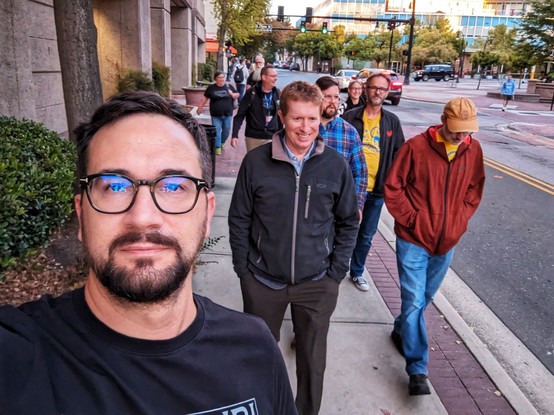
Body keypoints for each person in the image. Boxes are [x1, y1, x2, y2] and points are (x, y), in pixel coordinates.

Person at [0, 91, 297, 414]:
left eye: (173, 186)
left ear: (207, 214)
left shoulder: (255, 349)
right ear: (82, 212)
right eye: (114, 186)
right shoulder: (18, 360)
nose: (142, 217)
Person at [228, 81, 359, 415]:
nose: (306, 128)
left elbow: (347, 222)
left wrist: (335, 274)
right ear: (282, 117)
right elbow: (239, 218)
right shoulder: (256, 163)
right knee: (256, 359)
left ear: (321, 118)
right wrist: (244, 271)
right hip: (263, 281)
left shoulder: (335, 165)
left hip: (317, 283)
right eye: (298, 118)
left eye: (312, 119)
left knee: (313, 365)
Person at [385, 97, 485, 396]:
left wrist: (459, 220)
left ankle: (401, 330)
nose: (461, 135)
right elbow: (394, 187)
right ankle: (417, 369)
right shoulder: (416, 147)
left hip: (447, 241)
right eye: (457, 129)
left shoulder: (473, 149)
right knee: (415, 300)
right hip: (414, 239)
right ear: (443, 120)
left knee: (423, 298)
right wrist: (413, 220)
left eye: (466, 130)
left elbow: (474, 189)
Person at [342, 73, 405, 292]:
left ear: (387, 93)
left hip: (377, 191)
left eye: (382, 89)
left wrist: (391, 182)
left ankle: (357, 272)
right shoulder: (350, 117)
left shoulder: (391, 122)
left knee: (366, 234)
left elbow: (399, 154)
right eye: (374, 88)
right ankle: (338, 266)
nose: (378, 92)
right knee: (345, 229)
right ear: (366, 89)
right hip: (351, 188)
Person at [315, 76, 368, 213]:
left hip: (338, 206)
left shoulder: (349, 133)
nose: (333, 102)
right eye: (327, 97)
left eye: (336, 97)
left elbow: (360, 173)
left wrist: (357, 205)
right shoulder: (305, 129)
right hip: (309, 203)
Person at [231, 64, 281, 152]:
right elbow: (240, 115)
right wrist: (235, 135)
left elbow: (281, 116)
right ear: (264, 77)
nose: (276, 78)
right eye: (273, 76)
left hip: (271, 137)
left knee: (269, 165)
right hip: (254, 138)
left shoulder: (277, 93)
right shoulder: (252, 93)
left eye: (276, 76)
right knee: (254, 164)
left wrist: (281, 136)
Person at [197, 70, 239, 154]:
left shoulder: (229, 86)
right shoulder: (211, 88)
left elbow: (237, 95)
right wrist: (200, 107)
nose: (221, 79)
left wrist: (232, 94)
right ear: (215, 79)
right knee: (217, 130)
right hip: (215, 114)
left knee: (226, 130)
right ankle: (217, 147)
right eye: (219, 77)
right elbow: (204, 98)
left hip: (228, 114)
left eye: (222, 77)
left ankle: (222, 142)